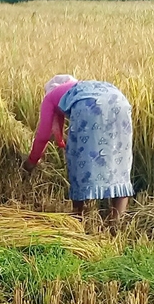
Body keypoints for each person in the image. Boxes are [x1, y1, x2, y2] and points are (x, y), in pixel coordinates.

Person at [23, 75, 134, 224]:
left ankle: (78, 218)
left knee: (78, 158)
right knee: (118, 162)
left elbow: (43, 135)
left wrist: (30, 162)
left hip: (88, 106)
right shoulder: (82, 87)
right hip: (120, 102)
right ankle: (116, 224)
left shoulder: (51, 97)